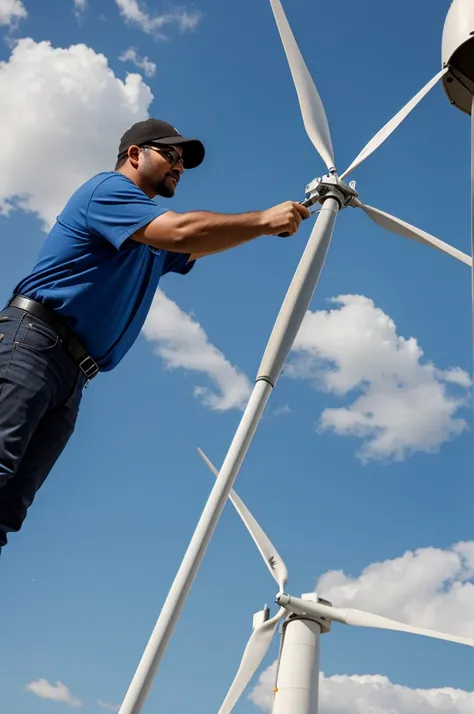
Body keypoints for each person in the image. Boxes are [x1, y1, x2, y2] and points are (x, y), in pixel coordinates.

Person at [0, 117, 310, 554]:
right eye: (171, 155)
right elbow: (182, 232)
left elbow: (193, 247)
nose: (179, 166)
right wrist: (261, 219)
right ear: (134, 154)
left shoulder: (144, 237)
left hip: (71, 376)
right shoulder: (108, 192)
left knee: (7, 510)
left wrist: (273, 222)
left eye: (183, 162)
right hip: (33, 346)